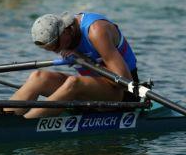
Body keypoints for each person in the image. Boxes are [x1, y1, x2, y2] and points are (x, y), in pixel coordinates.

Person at [8, 11, 139, 118]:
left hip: (123, 95)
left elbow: (125, 82)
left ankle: (26, 123)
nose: (57, 52)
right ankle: (3, 117)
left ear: (65, 31)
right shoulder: (65, 31)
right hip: (94, 88)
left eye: (56, 47)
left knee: (73, 82)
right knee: (38, 77)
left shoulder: (96, 31)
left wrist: (85, 60)